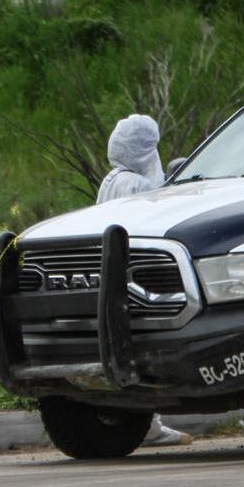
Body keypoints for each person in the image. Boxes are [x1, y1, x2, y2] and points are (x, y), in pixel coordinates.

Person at [97, 114, 193, 448]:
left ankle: (142, 423)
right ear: (144, 148)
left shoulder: (113, 179)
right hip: (132, 281)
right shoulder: (135, 185)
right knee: (140, 348)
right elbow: (156, 216)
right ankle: (148, 426)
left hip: (112, 279)